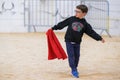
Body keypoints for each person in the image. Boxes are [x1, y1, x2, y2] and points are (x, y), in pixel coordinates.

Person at [51, 4, 105, 78]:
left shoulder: (85, 24)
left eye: (78, 12)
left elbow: (91, 32)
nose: (76, 13)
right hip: (69, 41)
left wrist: (99, 38)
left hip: (77, 42)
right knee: (71, 56)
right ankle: (74, 70)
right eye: (75, 11)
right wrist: (53, 28)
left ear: (84, 13)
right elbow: (62, 24)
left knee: (77, 56)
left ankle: (75, 67)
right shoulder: (71, 19)